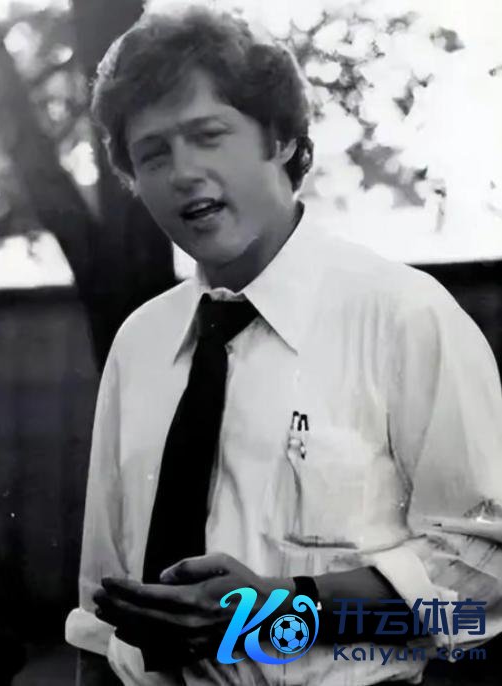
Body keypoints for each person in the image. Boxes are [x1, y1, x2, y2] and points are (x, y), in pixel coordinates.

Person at [66, 5, 502, 685]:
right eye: (153, 153)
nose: (182, 172)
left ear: (281, 139)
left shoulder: (402, 315)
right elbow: (100, 615)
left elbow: (483, 578)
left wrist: (278, 610)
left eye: (208, 135)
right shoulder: (140, 343)